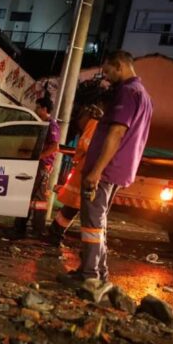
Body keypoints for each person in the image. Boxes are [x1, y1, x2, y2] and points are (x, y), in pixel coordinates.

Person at [64, 50, 153, 301]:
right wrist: (103, 118)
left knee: (92, 222)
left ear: (120, 66)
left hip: (106, 170)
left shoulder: (126, 92)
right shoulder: (144, 95)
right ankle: (96, 272)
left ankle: (90, 275)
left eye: (108, 71)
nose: (106, 76)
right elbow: (126, 129)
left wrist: (95, 171)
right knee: (98, 221)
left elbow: (117, 134)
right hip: (119, 169)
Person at [47, 102, 105, 246]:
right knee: (73, 207)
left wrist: (77, 159)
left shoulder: (93, 124)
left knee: (72, 207)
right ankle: (55, 234)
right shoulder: (97, 125)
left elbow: (84, 144)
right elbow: (86, 145)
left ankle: (55, 233)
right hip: (85, 171)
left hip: (84, 170)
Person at [10, 96, 59, 238]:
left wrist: (40, 156)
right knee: (28, 195)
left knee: (38, 198)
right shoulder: (40, 123)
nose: (35, 110)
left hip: (42, 165)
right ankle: (20, 227)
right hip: (35, 164)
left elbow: (54, 146)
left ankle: (37, 230)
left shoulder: (51, 125)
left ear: (44, 109)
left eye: (38, 107)